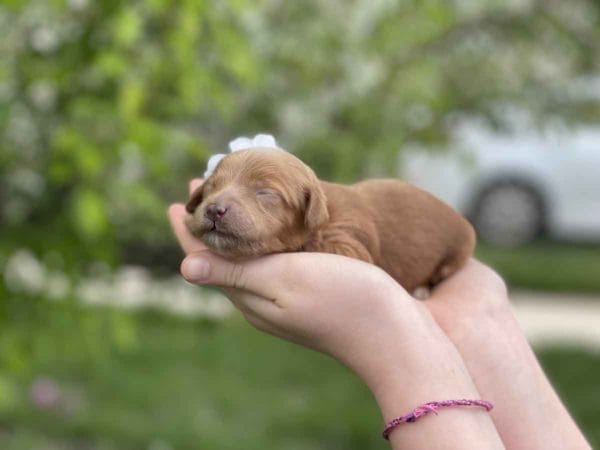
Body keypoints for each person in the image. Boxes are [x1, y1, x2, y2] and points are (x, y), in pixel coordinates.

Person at [168, 178, 591, 450]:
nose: (218, 203)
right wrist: (481, 324)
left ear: (313, 212)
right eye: (214, 189)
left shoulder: (341, 230)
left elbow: (353, 268)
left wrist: (389, 335)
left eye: (265, 193)